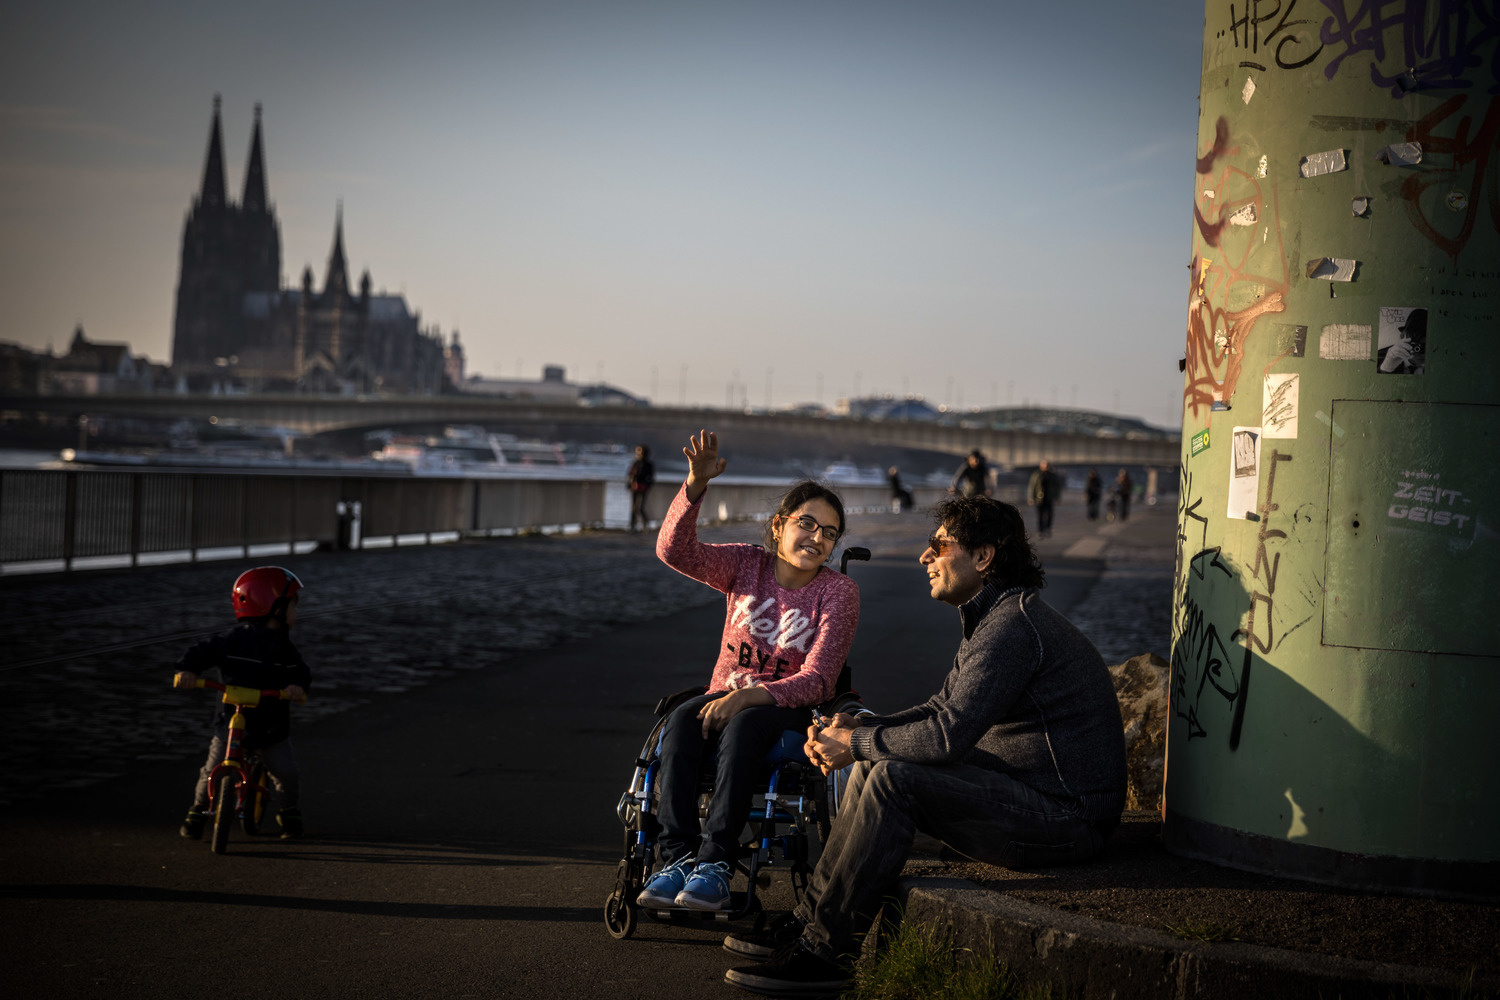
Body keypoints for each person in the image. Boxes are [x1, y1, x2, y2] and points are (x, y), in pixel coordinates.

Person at [722, 496, 1126, 996]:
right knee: (877, 764)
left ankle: (827, 954)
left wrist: (858, 742)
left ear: (983, 557)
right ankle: (808, 924)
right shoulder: (998, 617)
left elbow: (946, 735)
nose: (924, 557)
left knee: (890, 776)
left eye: (938, 545)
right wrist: (859, 726)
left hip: (1068, 819)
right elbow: (942, 709)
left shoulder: (1012, 628)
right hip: (1032, 797)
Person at [639, 430, 861, 912]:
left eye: (829, 533)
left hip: (788, 708)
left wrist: (745, 697)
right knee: (680, 720)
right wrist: (695, 485)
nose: (817, 539)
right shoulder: (745, 564)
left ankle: (716, 862)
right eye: (807, 524)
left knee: (742, 724)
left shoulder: (838, 592)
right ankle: (675, 857)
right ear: (780, 524)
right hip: (724, 694)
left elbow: (820, 680)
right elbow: (674, 552)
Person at [175, 566, 311, 841]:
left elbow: (300, 672)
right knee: (212, 768)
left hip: (270, 728)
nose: (296, 615)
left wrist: (296, 687)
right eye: (292, 607)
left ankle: (289, 811)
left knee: (286, 772)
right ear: (274, 608)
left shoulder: (284, 649)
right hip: (230, 723)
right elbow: (202, 652)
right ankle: (198, 809)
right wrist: (187, 671)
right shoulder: (232, 641)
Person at [1377, 307, 1427, 374]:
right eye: (1415, 345)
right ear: (1402, 336)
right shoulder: (1379, 356)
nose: (1422, 353)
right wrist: (1385, 369)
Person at [1027, 460, 1061, 537]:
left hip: (1049, 498)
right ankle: (1040, 530)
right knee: (1040, 515)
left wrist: (1057, 497)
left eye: (1047, 466)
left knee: (1050, 515)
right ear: (1041, 467)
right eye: (1044, 466)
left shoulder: (1052, 476)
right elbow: (1032, 487)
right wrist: (1031, 498)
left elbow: (1057, 487)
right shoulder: (1036, 475)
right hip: (1039, 499)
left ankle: (1048, 528)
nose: (1046, 468)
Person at [627, 444, 656, 532]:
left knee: (639, 507)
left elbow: (650, 478)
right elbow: (630, 475)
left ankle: (645, 525)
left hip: (642, 487)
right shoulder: (635, 463)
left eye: (639, 451)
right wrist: (630, 484)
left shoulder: (647, 464)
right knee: (634, 507)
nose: (637, 453)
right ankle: (633, 526)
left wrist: (646, 485)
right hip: (635, 487)